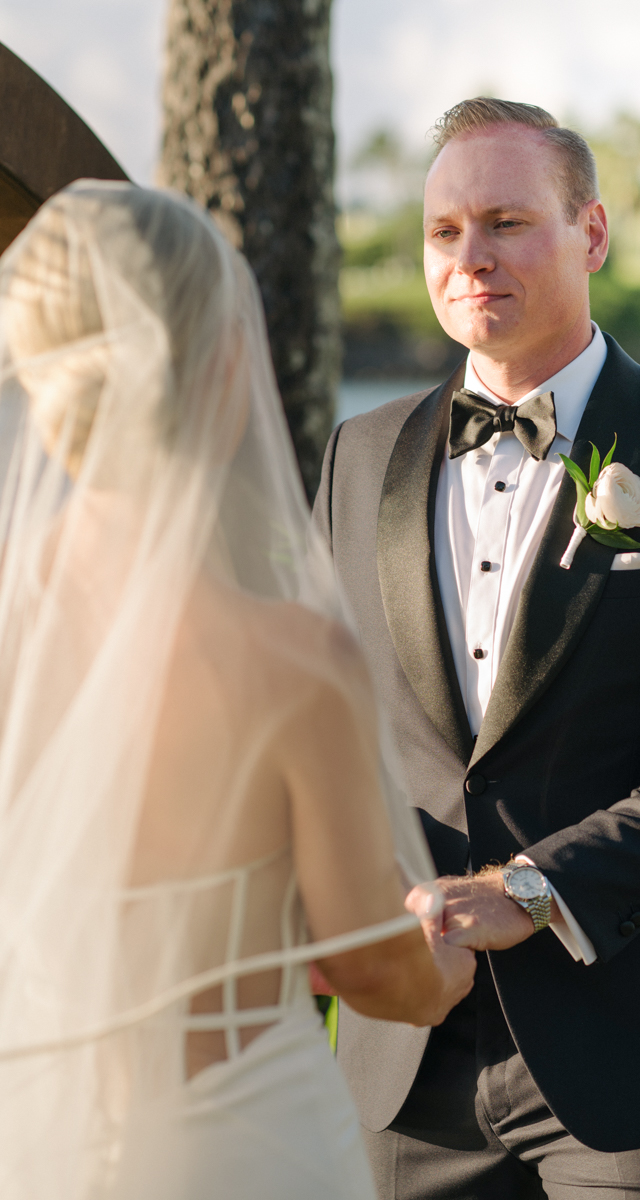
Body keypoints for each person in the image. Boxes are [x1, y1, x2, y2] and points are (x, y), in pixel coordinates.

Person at [313, 97, 640, 1199]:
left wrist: (535, 888)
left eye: (505, 222)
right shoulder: (358, 453)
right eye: (444, 233)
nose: (468, 258)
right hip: (400, 1074)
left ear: (592, 232)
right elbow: (326, 723)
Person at [0, 180, 475, 1200]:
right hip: (243, 1140)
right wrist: (444, 971)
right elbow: (371, 968)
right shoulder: (294, 664)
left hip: (38, 1134)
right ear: (223, 365)